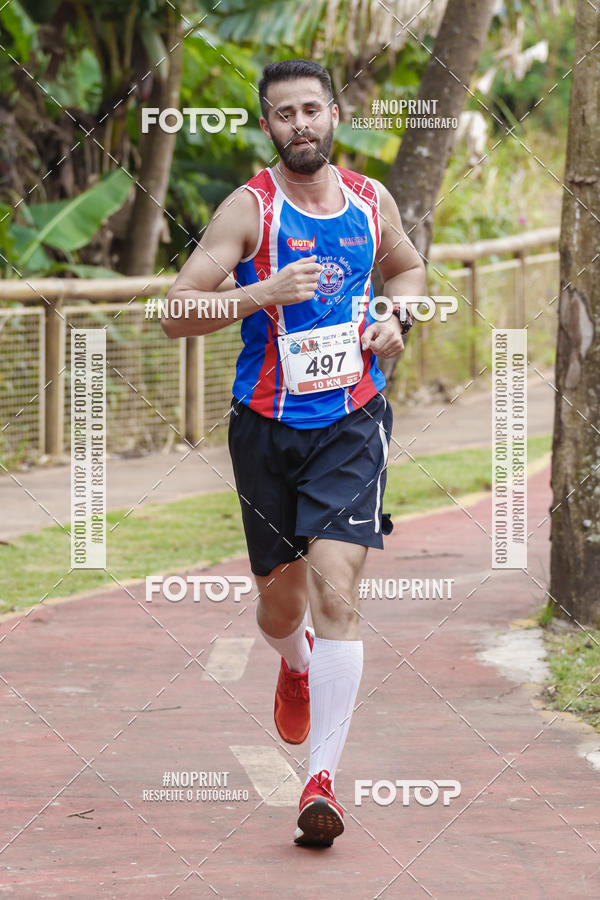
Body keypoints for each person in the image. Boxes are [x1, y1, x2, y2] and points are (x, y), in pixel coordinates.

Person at [162, 58, 426, 847]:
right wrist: (259, 294)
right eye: (285, 114)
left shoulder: (371, 200)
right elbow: (176, 311)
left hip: (353, 420)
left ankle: (321, 781)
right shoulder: (250, 210)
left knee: (336, 591)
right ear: (269, 125)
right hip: (267, 429)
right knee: (280, 604)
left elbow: (409, 269)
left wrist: (395, 319)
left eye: (313, 109)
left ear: (334, 114)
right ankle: (296, 663)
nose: (301, 124)